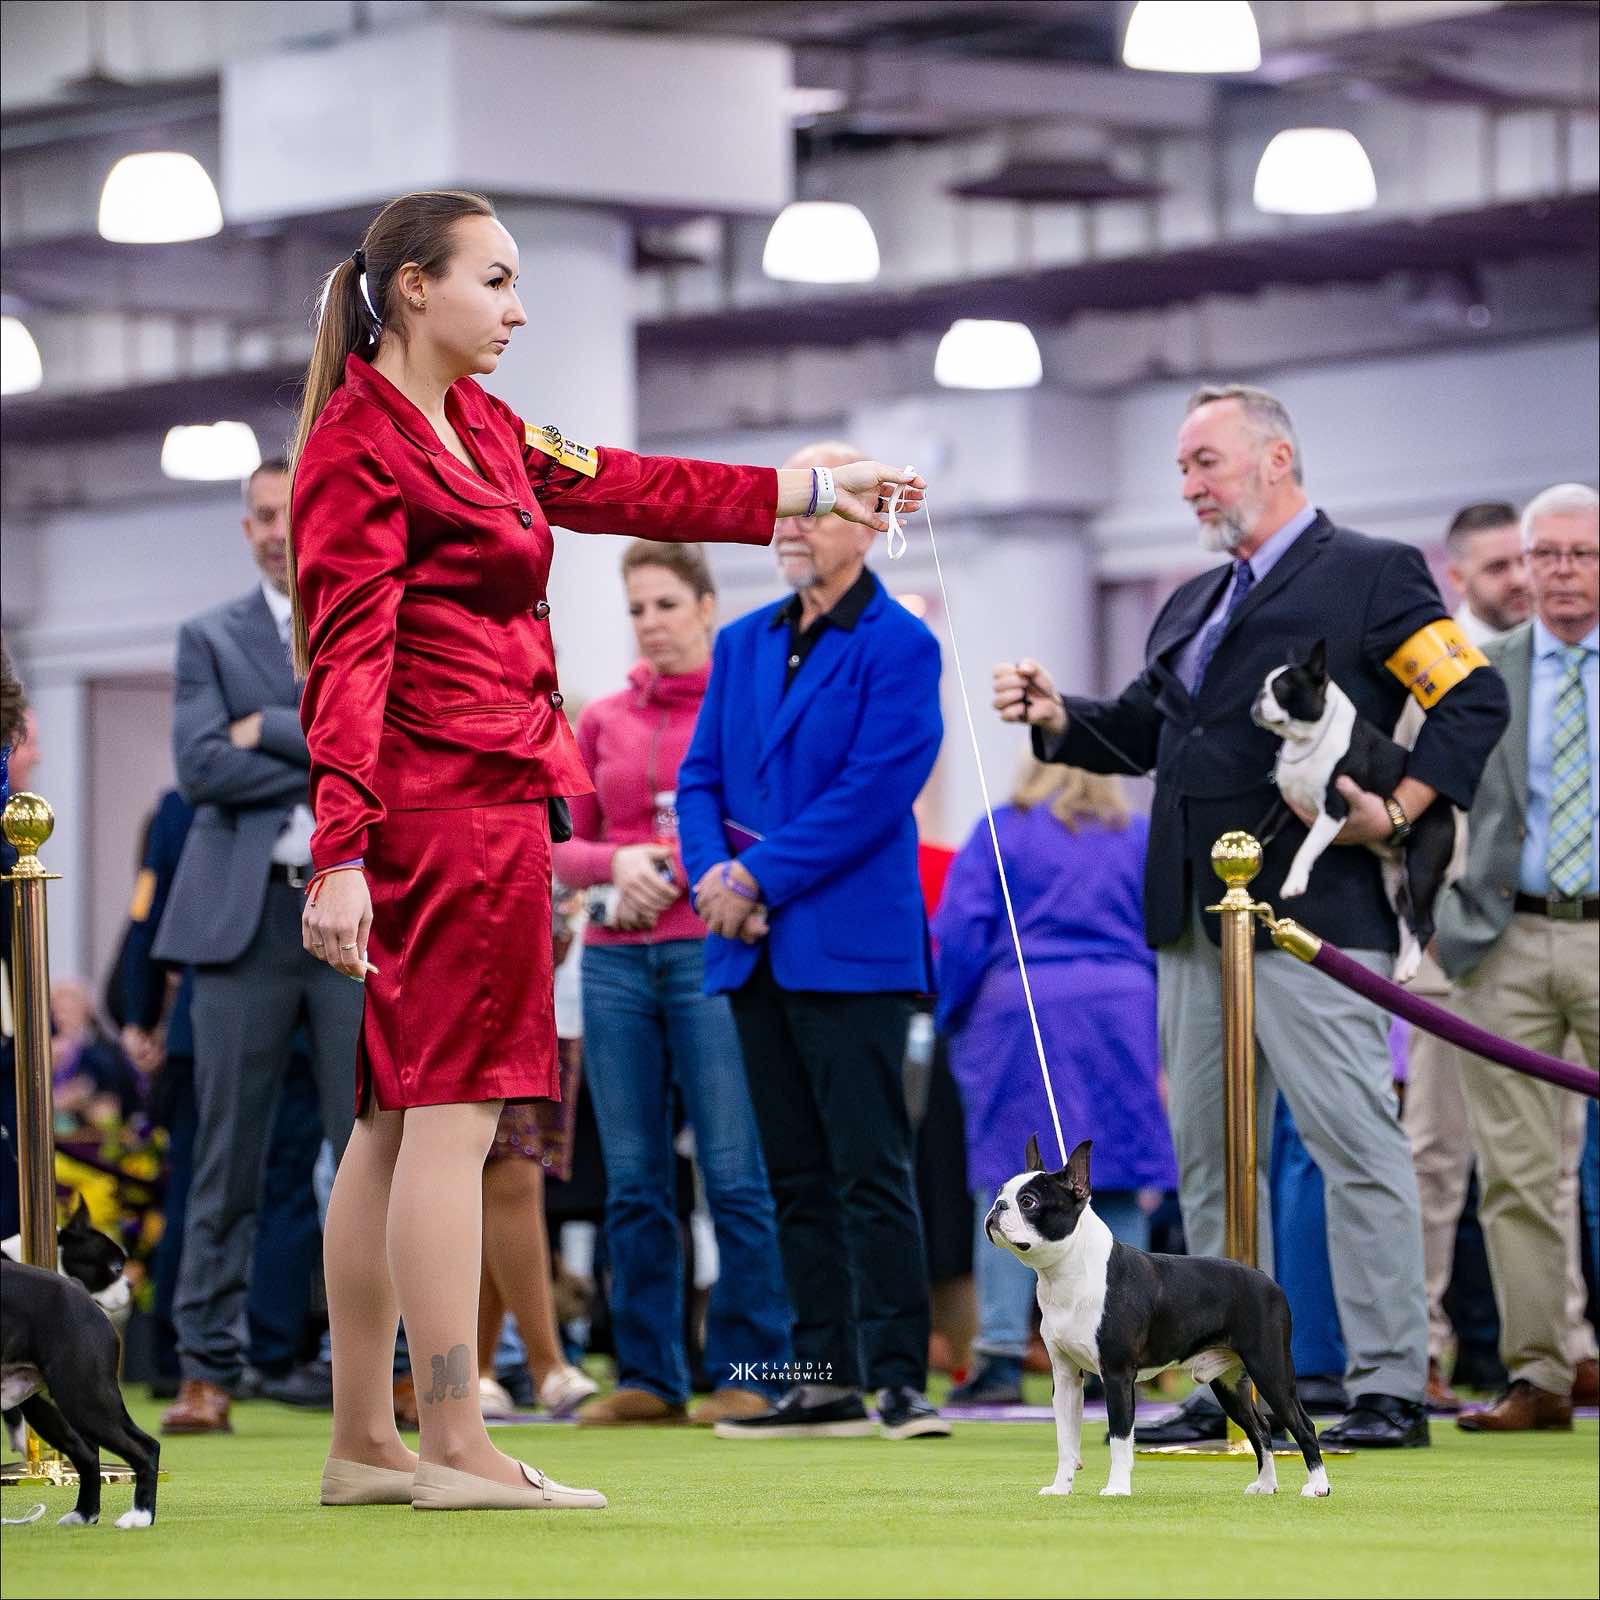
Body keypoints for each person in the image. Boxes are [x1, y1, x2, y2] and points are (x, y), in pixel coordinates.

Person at [290, 190, 920, 1512]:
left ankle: (366, 1444)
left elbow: (632, 483)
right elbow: (344, 658)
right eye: (496, 281)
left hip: (483, 799)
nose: (519, 310)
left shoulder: (483, 426)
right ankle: (454, 1443)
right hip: (441, 809)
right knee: (449, 1118)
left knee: (394, 1123)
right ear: (414, 288)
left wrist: (814, 489)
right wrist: (341, 847)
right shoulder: (361, 446)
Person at [993, 383, 1509, 1448]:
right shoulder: (1192, 600)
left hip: (1312, 917)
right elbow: (1148, 730)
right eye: (1182, 467)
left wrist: (1397, 810)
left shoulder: (1373, 571)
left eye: (1205, 462)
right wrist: (1057, 717)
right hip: (1189, 919)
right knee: (1209, 1165)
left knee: (1353, 1146)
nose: (1188, 484)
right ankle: (1220, 1389)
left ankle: (1388, 1386)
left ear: (1276, 459)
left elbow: (1471, 699)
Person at [677, 438, 948, 1442]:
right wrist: (713, 878)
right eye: (791, 503)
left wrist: (757, 878)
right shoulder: (742, 642)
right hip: (748, 942)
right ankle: (822, 1379)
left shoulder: (901, 643)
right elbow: (699, 777)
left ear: (870, 526)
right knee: (789, 1172)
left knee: (870, 1168)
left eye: (819, 505)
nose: (791, 522)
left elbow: (875, 790)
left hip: (849, 946)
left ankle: (899, 1379)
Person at [551, 540, 791, 1429]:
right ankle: (649, 1374)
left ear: (706, 607)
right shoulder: (603, 719)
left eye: (666, 604)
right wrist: (617, 864)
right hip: (615, 960)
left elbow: (768, 829)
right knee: (633, 1180)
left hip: (710, 954)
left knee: (733, 1172)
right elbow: (561, 845)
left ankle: (754, 1370)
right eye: (637, 609)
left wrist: (683, 870)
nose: (650, 623)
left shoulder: (748, 708)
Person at [151, 459, 365, 1437]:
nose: (281, 530)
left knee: (367, 1148)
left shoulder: (366, 615)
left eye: (295, 511)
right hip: (243, 925)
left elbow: (383, 751)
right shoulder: (208, 634)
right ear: (248, 529)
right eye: (265, 516)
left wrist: (266, 727)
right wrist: (325, 746)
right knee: (225, 1155)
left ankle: (391, 1367)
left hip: (353, 912)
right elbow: (200, 768)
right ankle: (205, 1368)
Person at [933, 760, 1176, 1405]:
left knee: (1009, 1183)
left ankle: (998, 1357)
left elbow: (960, 932)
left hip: (1019, 1012)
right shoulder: (1138, 835)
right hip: (1123, 1013)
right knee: (1116, 1179)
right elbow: (1167, 929)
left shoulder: (1000, 829)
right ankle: (1121, 1351)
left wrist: (950, 1013)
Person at [1437, 481, 1600, 1432]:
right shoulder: (1481, 671)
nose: (1563, 571)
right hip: (1505, 937)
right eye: (1547, 555)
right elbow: (1426, 791)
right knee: (1515, 1173)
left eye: (1582, 553)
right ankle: (1540, 1376)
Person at [1402, 502, 1539, 1411]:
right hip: (1452, 944)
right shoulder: (1434, 674)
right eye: (1498, 567)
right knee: (1436, 1159)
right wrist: (1428, 927)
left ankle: (1557, 1351)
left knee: (1547, 1165)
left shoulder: (1563, 671)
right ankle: (1419, 1348)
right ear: (1458, 577)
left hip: (1544, 936)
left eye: (1525, 561)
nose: (1520, 580)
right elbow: (1405, 811)